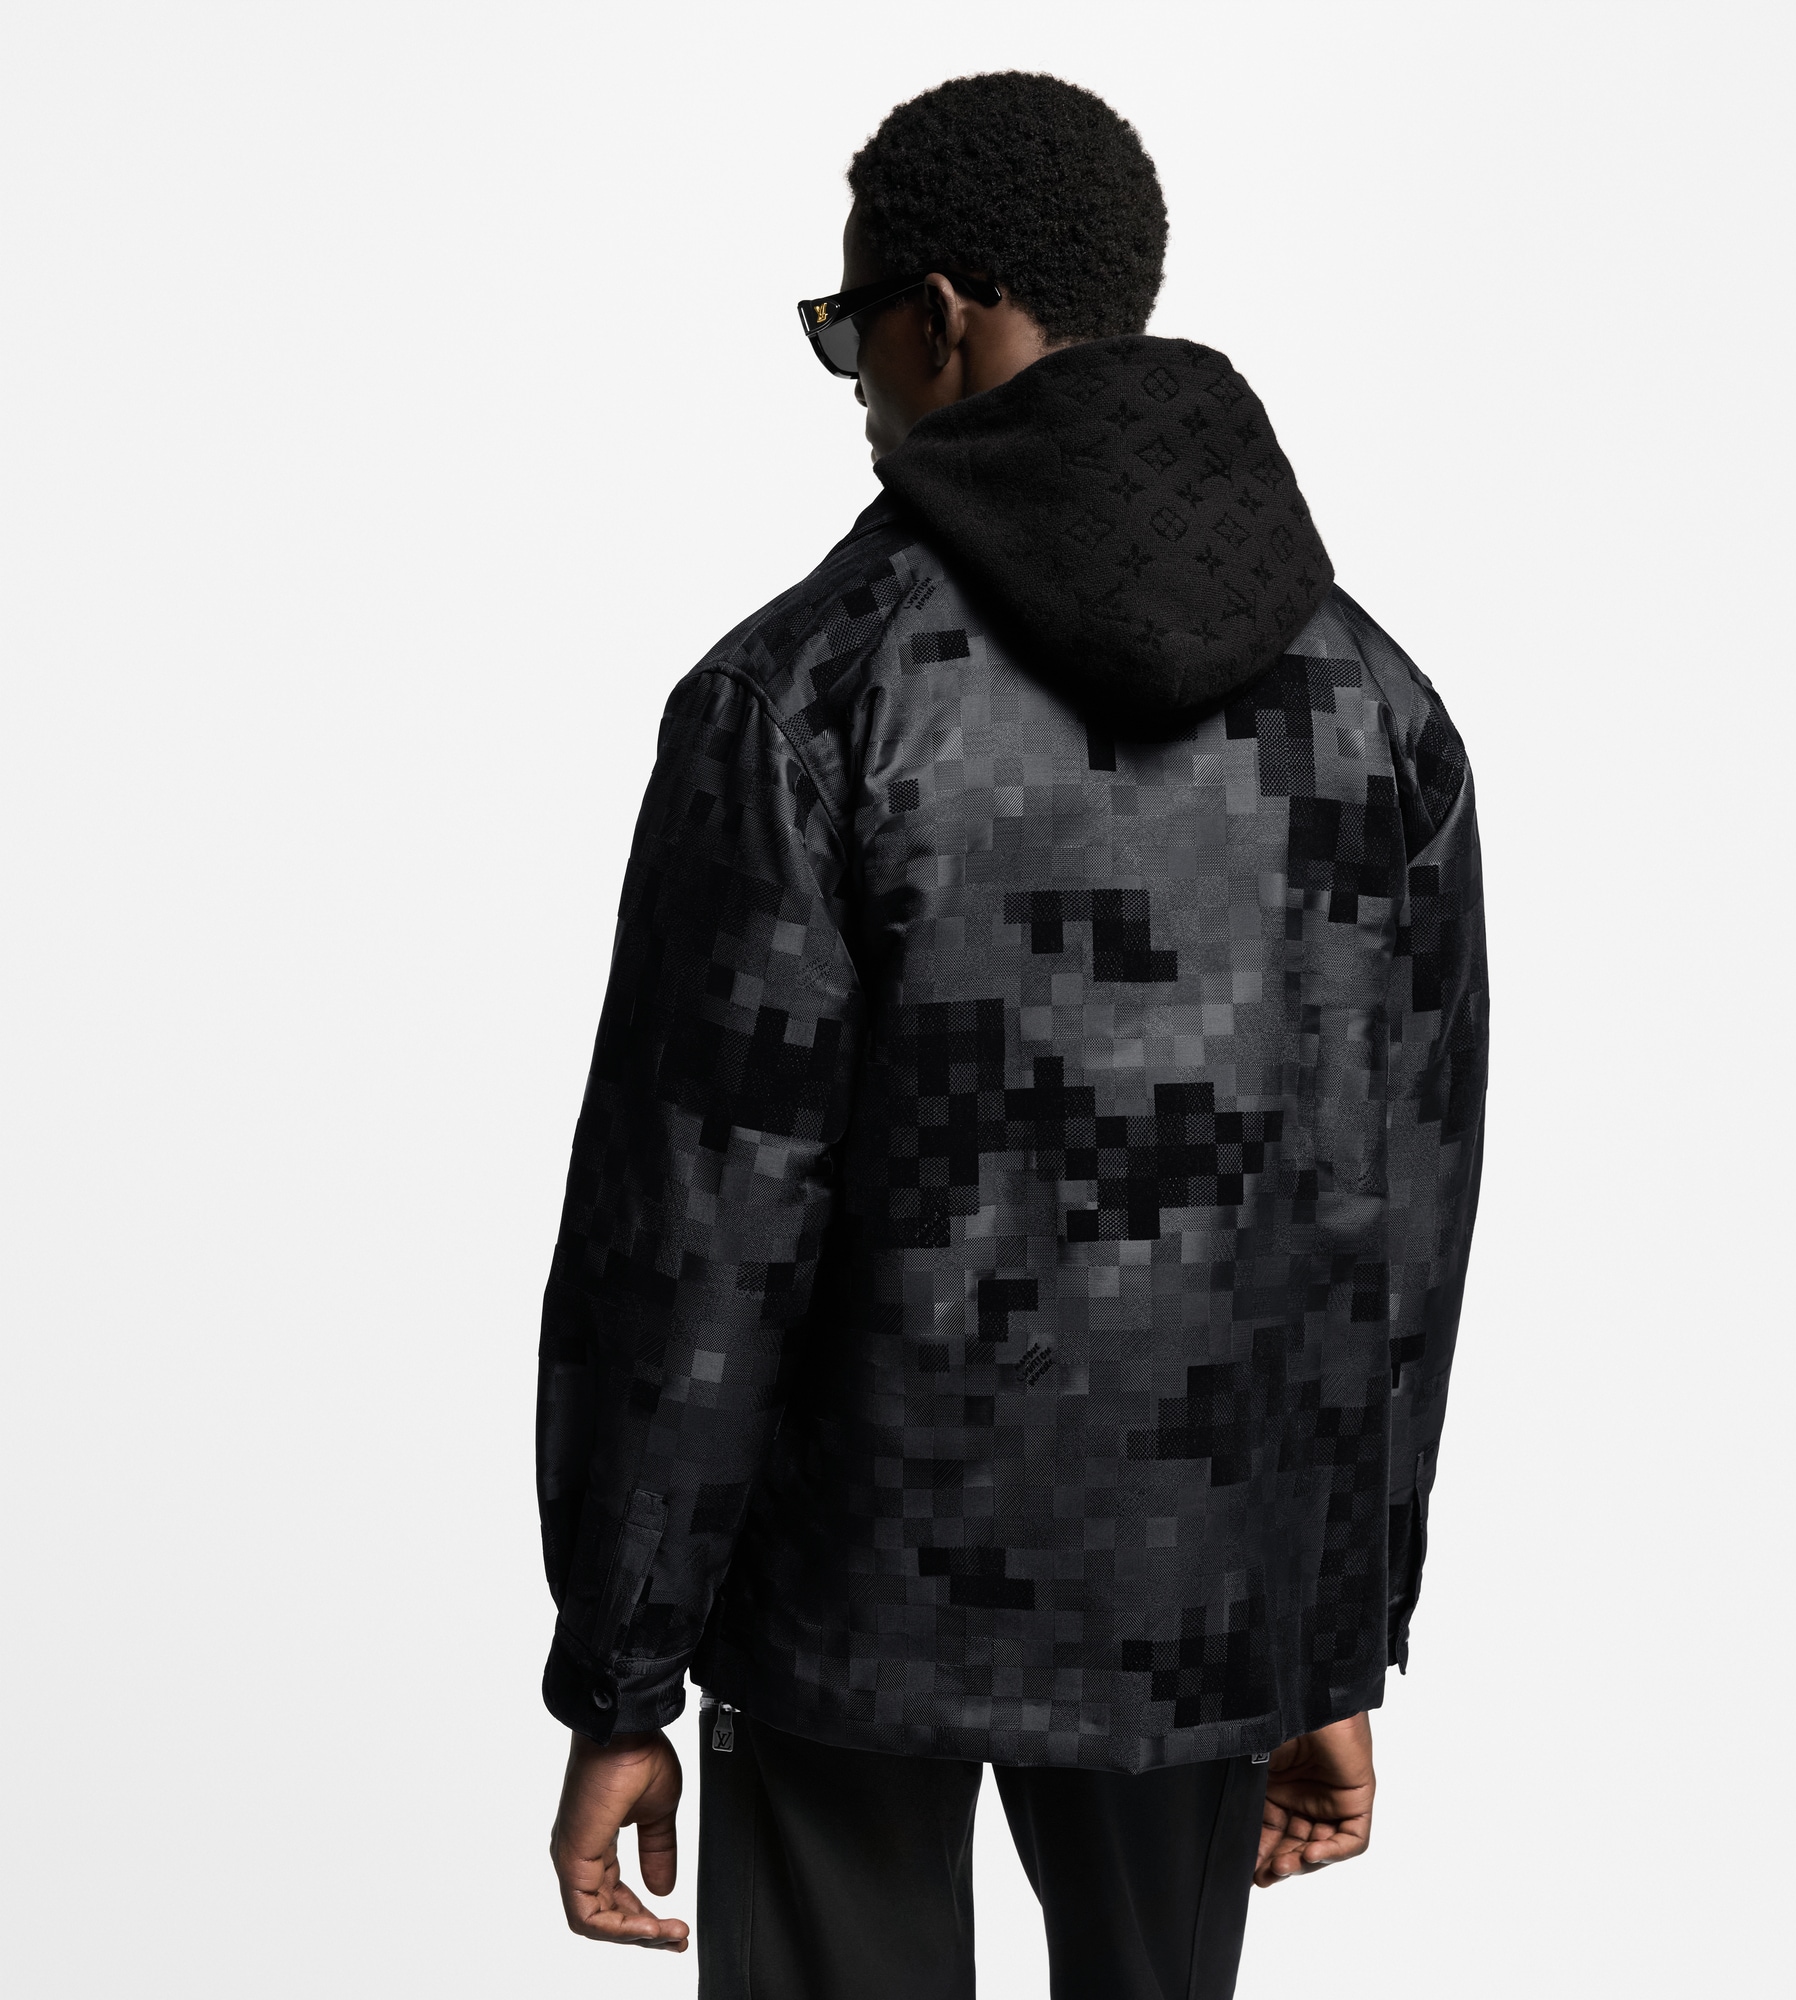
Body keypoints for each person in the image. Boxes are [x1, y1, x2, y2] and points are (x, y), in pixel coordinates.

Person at [537, 71, 1487, 2000]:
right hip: (1208, 1598)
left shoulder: (804, 698)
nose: (851, 380)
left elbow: (697, 1225)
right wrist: (1328, 1634)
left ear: (942, 315)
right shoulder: (1374, 710)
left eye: (847, 330)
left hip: (844, 1606)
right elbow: (1396, 1205)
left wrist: (622, 1673)